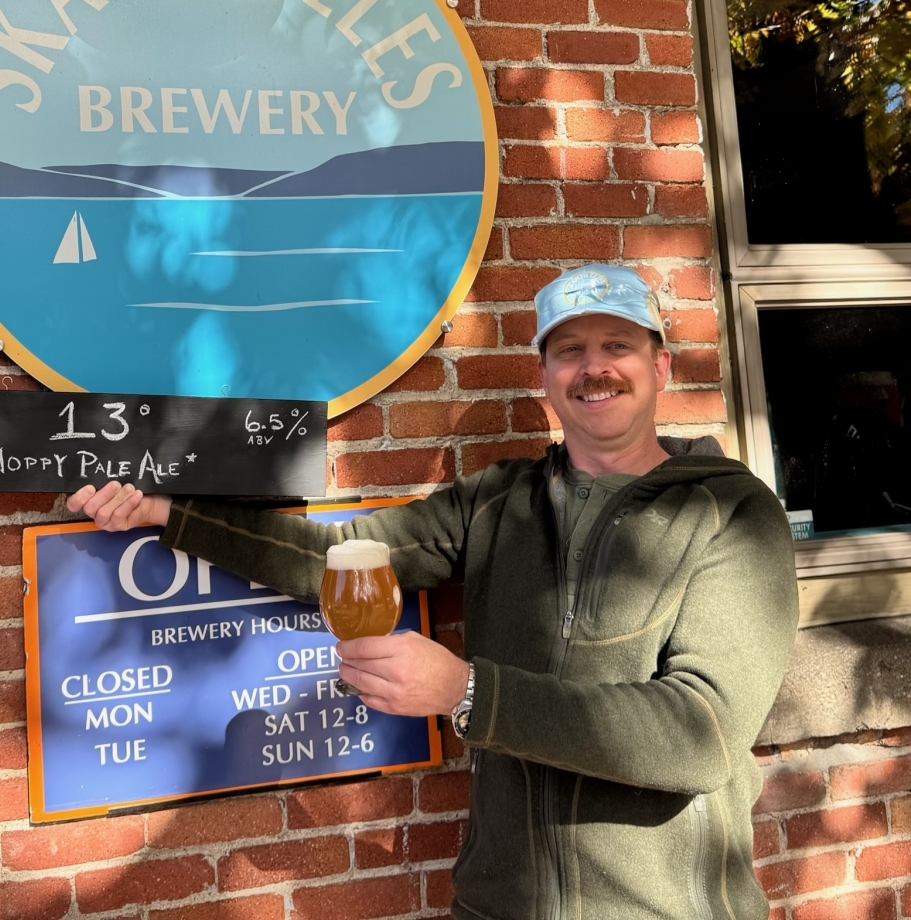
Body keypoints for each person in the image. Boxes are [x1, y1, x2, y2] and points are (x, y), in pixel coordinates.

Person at [68, 263, 798, 920]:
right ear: (544, 375)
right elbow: (340, 557)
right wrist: (168, 514)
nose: (593, 368)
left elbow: (701, 735)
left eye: (618, 345)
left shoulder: (732, 512)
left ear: (660, 365)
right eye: (569, 350)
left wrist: (467, 691)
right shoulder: (498, 501)